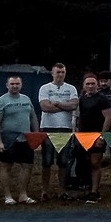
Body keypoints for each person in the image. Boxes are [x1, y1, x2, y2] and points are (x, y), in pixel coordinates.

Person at [0, 74, 39, 205]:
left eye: (17, 83)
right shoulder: (0, 102)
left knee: (27, 166)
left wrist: (36, 135)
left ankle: (23, 195)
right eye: (12, 84)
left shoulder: (26, 99)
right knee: (6, 166)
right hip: (8, 139)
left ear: (21, 85)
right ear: (7, 85)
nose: (15, 86)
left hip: (25, 139)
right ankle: (8, 196)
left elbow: (33, 117)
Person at [38, 62, 78, 200]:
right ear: (52, 73)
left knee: (63, 162)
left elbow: (74, 105)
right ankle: (45, 191)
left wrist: (58, 103)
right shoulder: (45, 88)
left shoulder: (71, 88)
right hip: (48, 127)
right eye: (58, 72)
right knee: (47, 161)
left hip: (65, 128)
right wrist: (64, 107)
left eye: (62, 72)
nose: (60, 75)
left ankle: (62, 191)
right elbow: (45, 107)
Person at [75, 73, 111, 203]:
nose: (90, 86)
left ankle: (94, 191)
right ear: (84, 85)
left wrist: (102, 136)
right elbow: (78, 118)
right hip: (83, 135)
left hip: (97, 135)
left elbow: (108, 118)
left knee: (95, 163)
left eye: (92, 83)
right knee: (85, 164)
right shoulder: (81, 99)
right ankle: (87, 189)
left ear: (97, 85)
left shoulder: (102, 99)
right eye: (88, 84)